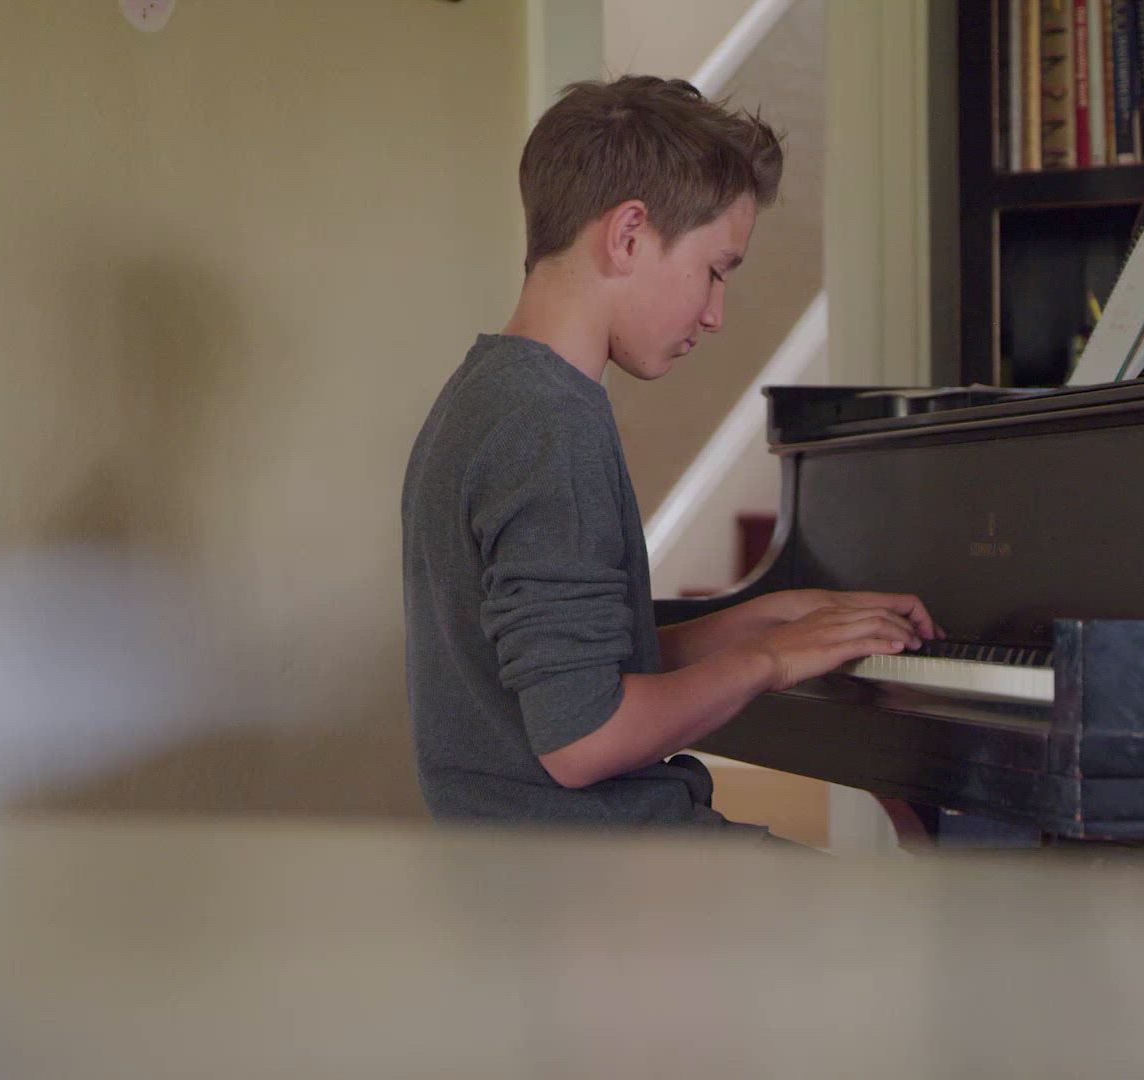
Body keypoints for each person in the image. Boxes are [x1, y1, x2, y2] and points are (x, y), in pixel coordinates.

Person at [402, 76, 941, 833]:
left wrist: (755, 623)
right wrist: (771, 661)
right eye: (716, 269)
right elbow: (582, 741)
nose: (715, 314)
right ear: (627, 234)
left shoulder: (489, 394)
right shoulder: (550, 423)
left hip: (526, 862)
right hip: (597, 880)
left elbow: (554, 669)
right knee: (924, 929)